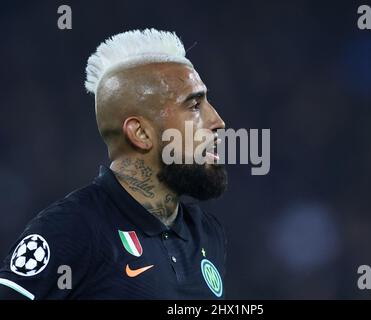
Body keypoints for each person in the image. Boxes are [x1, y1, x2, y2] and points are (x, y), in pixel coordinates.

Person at [0, 29, 228, 299]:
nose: (217, 122)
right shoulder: (71, 229)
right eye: (194, 106)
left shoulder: (207, 234)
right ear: (141, 134)